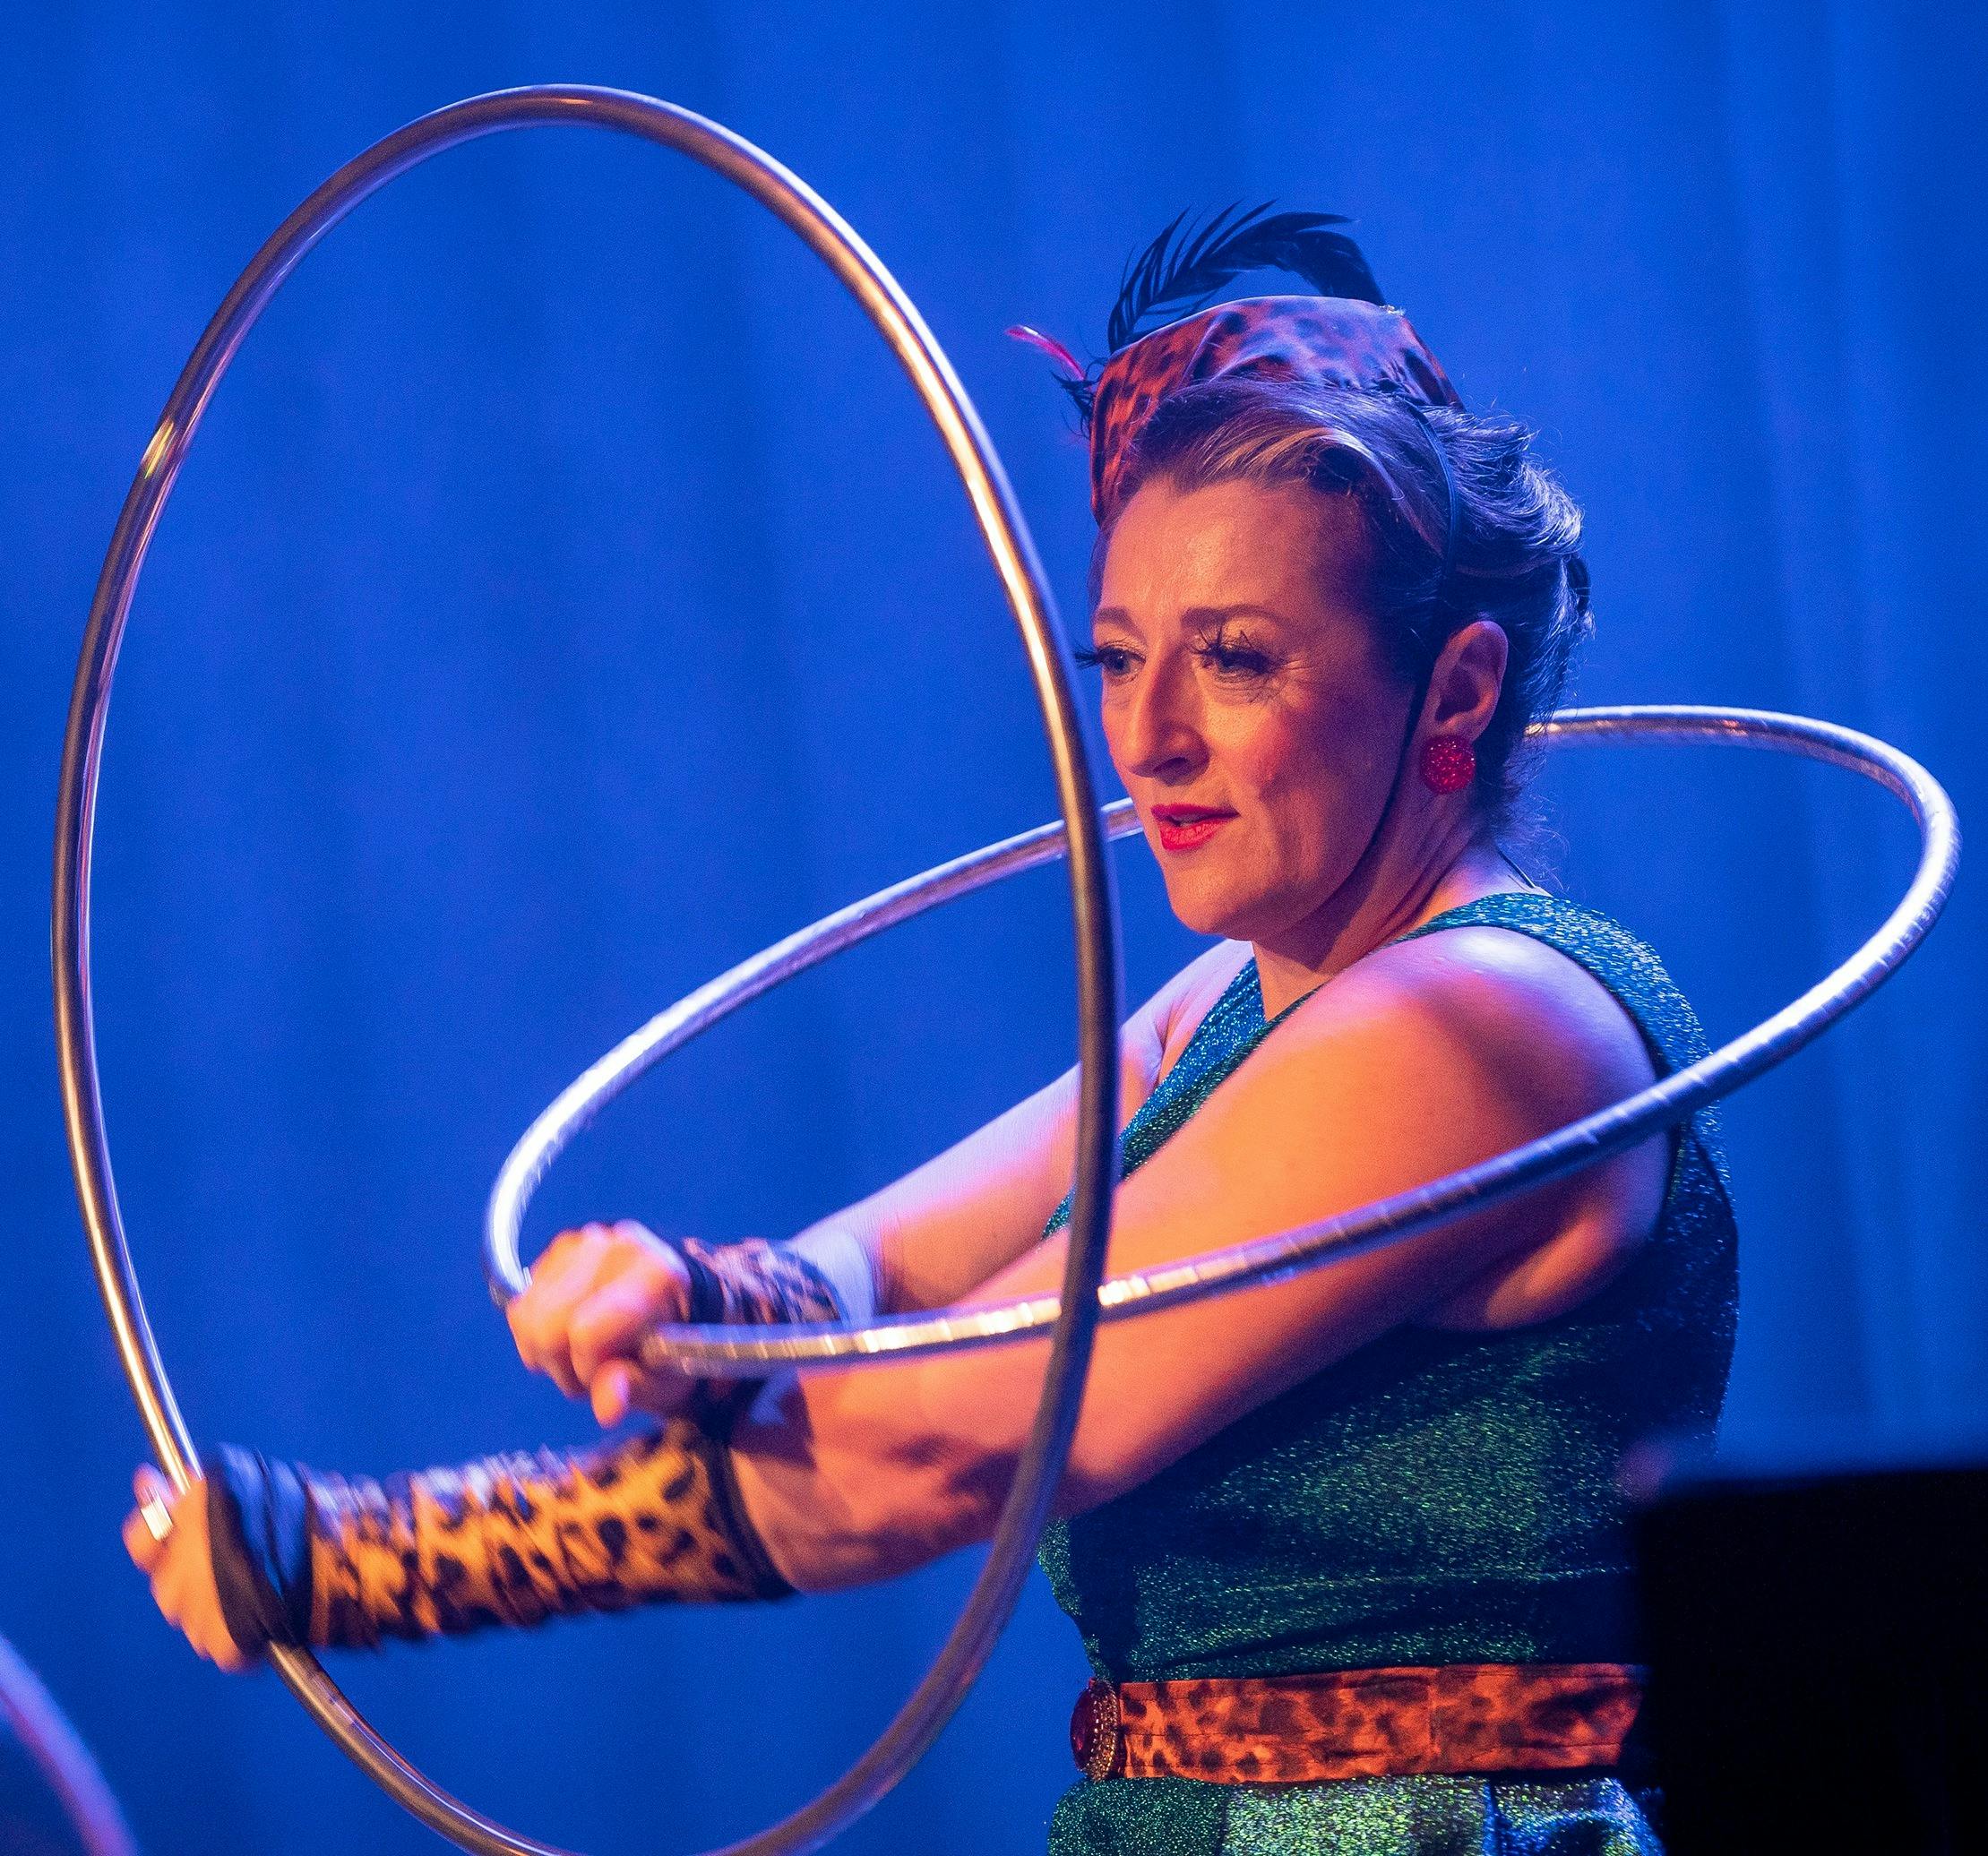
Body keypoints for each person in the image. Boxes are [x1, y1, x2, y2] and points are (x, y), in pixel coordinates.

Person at [125, 208, 1736, 1855]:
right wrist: (708, 1301)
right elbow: (881, 1281)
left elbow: (951, 1434)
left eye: (1236, 661)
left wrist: (348, 1560)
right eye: (1117, 661)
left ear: (1455, 692)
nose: (1148, 740)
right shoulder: (1229, 1004)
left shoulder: (1481, 1030)